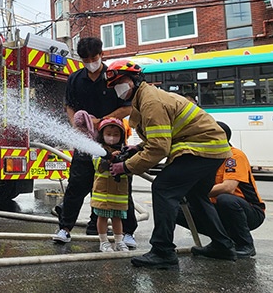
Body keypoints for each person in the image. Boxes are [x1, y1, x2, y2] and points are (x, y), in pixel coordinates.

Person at [104, 59, 235, 269]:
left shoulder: (150, 102)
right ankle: (223, 245)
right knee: (196, 195)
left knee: (163, 188)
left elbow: (158, 148)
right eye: (114, 85)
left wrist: (126, 167)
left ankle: (163, 251)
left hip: (200, 148)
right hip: (213, 149)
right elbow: (162, 136)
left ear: (135, 80)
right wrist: (137, 149)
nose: (118, 88)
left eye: (121, 81)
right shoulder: (145, 98)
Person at [52, 37, 138, 248]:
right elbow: (69, 106)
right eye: (86, 59)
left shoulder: (114, 77)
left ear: (102, 54)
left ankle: (128, 232)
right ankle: (65, 228)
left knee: (119, 185)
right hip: (85, 140)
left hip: (112, 139)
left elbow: (126, 107)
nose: (90, 61)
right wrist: (75, 124)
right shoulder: (74, 79)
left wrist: (103, 121)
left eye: (94, 57)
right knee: (77, 184)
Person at [176, 121, 265, 258]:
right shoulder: (205, 158)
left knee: (226, 199)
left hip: (249, 211)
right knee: (176, 209)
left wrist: (195, 193)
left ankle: (245, 244)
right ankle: (220, 243)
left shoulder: (234, 156)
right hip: (218, 209)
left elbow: (228, 188)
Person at [91, 118, 131, 252]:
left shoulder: (125, 150)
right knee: (102, 217)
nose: (112, 138)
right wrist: (109, 158)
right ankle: (103, 241)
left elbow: (130, 169)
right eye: (108, 134)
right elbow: (98, 166)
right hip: (103, 193)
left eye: (116, 135)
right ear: (101, 135)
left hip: (119, 193)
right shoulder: (98, 150)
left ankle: (119, 241)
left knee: (117, 217)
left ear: (122, 136)